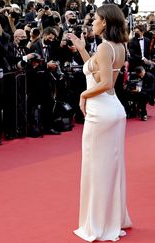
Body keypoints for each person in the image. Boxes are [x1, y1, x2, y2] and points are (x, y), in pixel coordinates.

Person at [68, 4, 132, 241]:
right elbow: (95, 74)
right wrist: (83, 50)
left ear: (104, 22)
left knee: (96, 169)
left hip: (101, 114)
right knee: (111, 168)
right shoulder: (118, 46)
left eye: (95, 19)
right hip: (113, 111)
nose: (92, 22)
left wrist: (83, 95)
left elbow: (105, 83)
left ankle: (98, 224)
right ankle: (113, 217)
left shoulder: (105, 47)